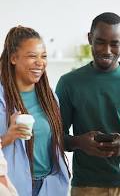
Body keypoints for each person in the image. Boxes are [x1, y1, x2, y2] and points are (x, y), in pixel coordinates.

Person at [55, 12, 120, 196]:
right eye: (100, 41)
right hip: (86, 186)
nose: (107, 50)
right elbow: (55, 138)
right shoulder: (69, 83)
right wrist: (79, 142)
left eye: (114, 43)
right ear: (90, 39)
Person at [0, 26, 70, 196]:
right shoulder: (2, 97)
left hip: (49, 186)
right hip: (12, 186)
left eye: (43, 56)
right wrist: (6, 138)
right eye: (32, 56)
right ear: (14, 58)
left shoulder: (49, 97)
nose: (40, 62)